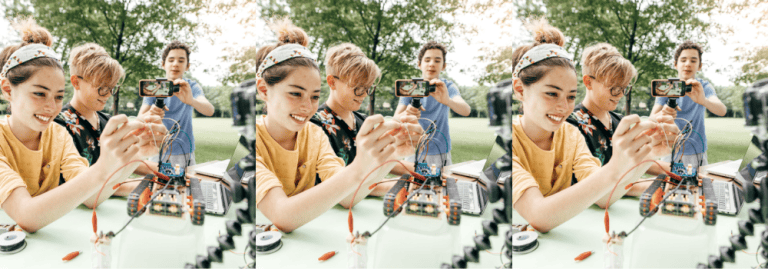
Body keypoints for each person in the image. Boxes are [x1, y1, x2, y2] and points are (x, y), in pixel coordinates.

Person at [510, 20, 674, 232]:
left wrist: (646, 154)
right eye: (552, 93)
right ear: (520, 90)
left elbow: (605, 196)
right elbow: (538, 216)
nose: (564, 107)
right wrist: (617, 167)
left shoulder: (571, 135)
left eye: (571, 96)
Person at [255, 20, 416, 232]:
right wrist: (360, 167)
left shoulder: (314, 135)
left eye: (314, 96)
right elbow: (282, 216)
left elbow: (348, 196)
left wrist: (390, 154)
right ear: (264, 90)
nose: (307, 107)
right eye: (295, 93)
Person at [0, 19, 160, 232]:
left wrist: (134, 154)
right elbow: (26, 215)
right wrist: (103, 167)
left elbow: (92, 196)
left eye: (58, 96)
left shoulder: (58, 135)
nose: (51, 107)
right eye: (39, 93)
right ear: (8, 90)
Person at [53, 43, 166, 196]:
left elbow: (126, 162)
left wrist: (172, 174)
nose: (108, 94)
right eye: (101, 87)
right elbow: (83, 186)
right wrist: (150, 186)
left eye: (112, 88)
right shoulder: (59, 125)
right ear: (76, 82)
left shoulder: (106, 120)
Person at [309, 43, 422, 196]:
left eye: (368, 88)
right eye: (357, 87)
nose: (364, 94)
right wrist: (406, 186)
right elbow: (339, 186)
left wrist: (427, 174)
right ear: (332, 82)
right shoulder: (314, 125)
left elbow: (382, 161)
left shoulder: (362, 120)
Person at [565, 43, 678, 195]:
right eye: (614, 87)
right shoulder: (571, 125)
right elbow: (595, 187)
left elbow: (637, 162)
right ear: (588, 82)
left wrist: (683, 175)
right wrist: (663, 185)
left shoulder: (618, 120)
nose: (620, 95)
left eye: (624, 88)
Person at [394, 41, 471, 172]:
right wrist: (407, 113)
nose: (431, 64)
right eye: (427, 60)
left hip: (441, 150)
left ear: (444, 66)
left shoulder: (447, 87)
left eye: (437, 60)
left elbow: (466, 110)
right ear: (419, 64)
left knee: (443, 182)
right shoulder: (410, 87)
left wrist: (447, 101)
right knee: (413, 182)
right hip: (414, 149)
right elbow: (396, 119)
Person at [651, 41, 727, 172]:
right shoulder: (667, 87)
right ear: (675, 64)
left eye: (693, 60)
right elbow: (651, 119)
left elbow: (722, 110)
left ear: (700, 66)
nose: (687, 64)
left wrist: (703, 101)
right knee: (669, 182)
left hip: (697, 150)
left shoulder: (703, 87)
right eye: (683, 60)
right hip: (670, 149)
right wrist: (663, 113)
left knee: (699, 183)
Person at [139, 41, 215, 169]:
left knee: (187, 181)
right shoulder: (154, 87)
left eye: (181, 60)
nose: (175, 64)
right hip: (158, 149)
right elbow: (139, 118)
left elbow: (210, 110)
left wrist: (191, 100)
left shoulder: (191, 87)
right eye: (171, 60)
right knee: (157, 180)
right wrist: (151, 113)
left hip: (184, 150)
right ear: (163, 64)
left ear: (187, 66)